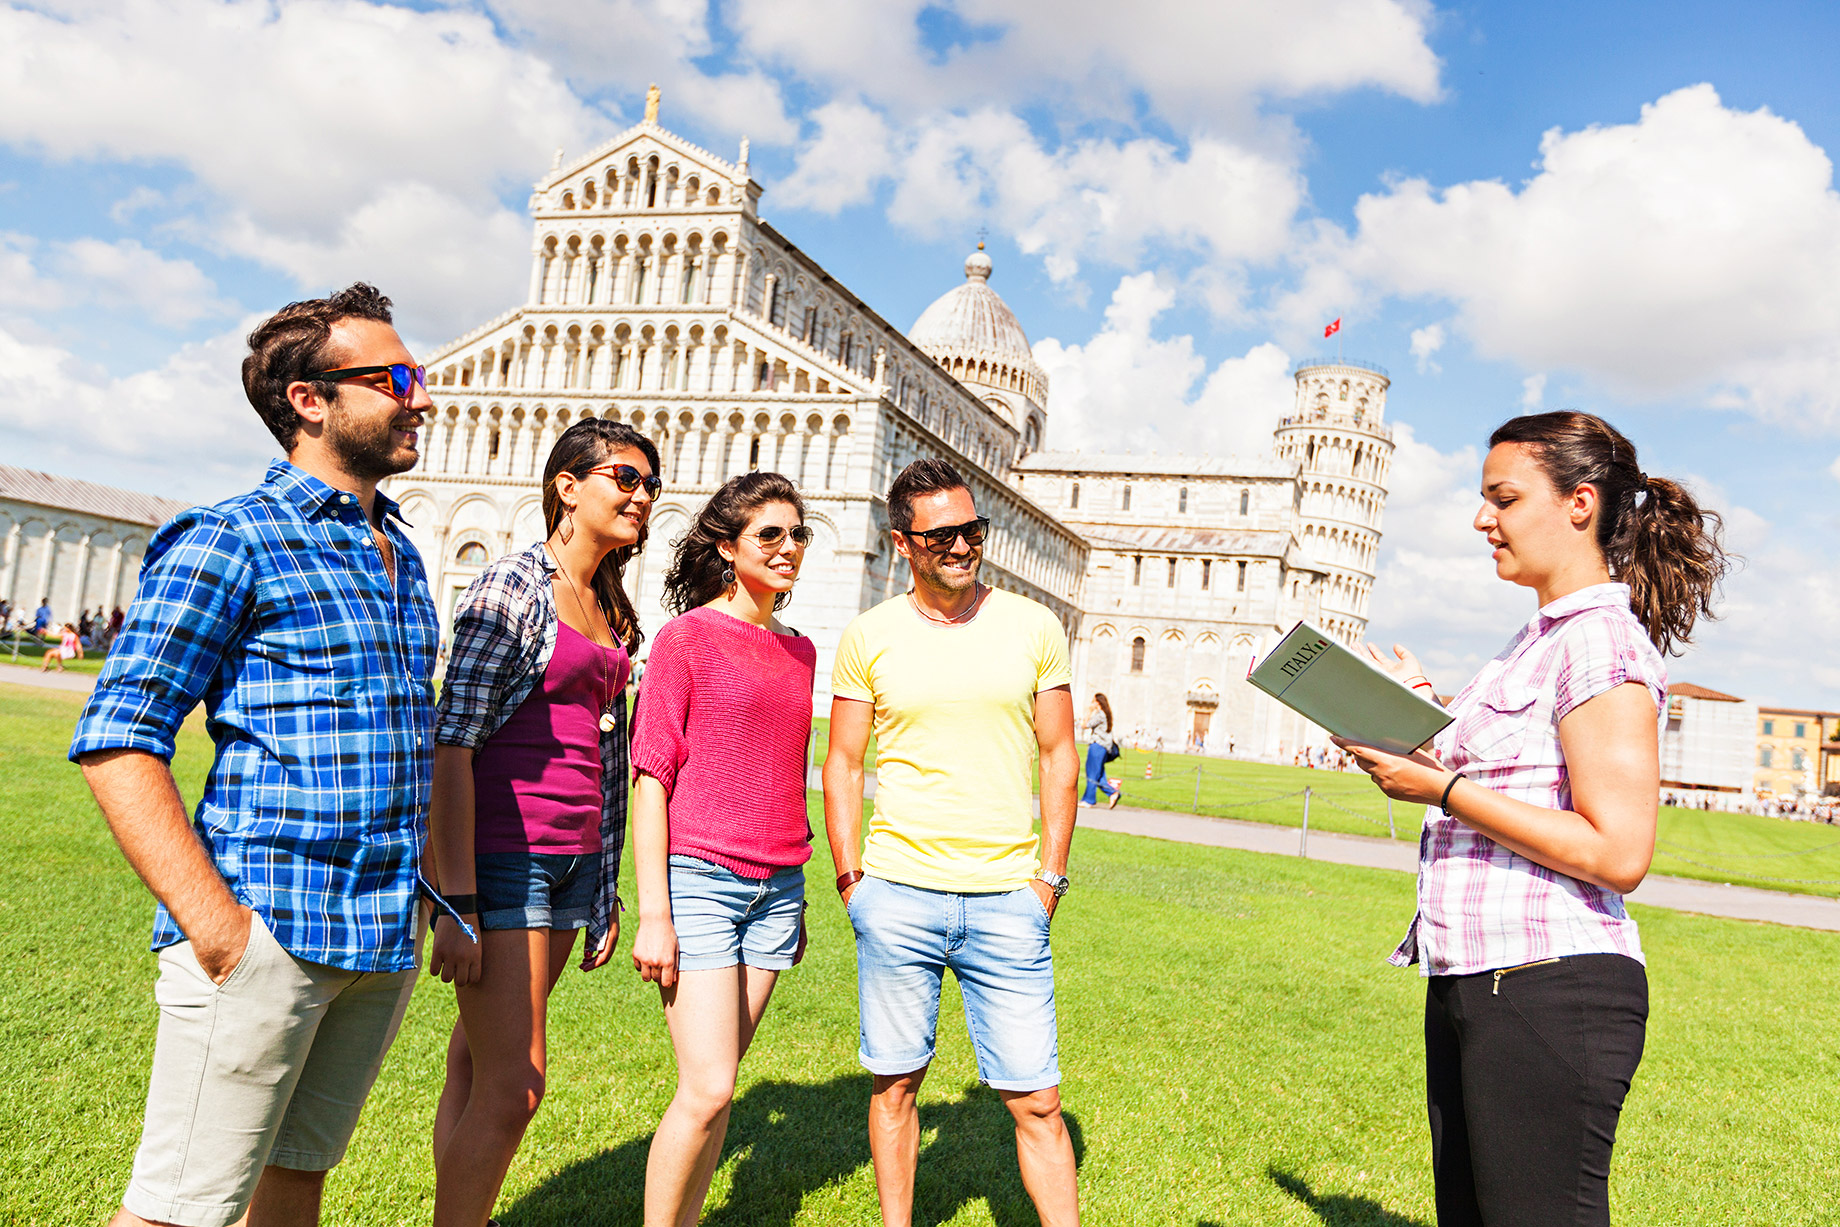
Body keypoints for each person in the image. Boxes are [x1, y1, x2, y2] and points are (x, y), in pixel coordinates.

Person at [69, 283, 439, 1227]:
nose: (421, 397)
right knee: (176, 1212)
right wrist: (222, 931)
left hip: (378, 937)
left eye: (420, 374)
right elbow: (119, 735)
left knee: (294, 1183)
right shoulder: (230, 539)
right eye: (395, 377)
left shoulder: (401, 549)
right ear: (310, 400)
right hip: (265, 930)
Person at [1333, 410, 1727, 1227]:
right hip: (1477, 978)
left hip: (1552, 985)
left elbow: (1618, 851)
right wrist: (1425, 720)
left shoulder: (1601, 644)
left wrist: (1438, 788)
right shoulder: (1531, 642)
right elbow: (1523, 783)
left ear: (1579, 503)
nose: (1483, 519)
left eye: (1504, 499)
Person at [823, 458, 1082, 1227]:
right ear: (903, 542)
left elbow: (1060, 754)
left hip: (1008, 897)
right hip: (896, 893)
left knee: (1038, 1099)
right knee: (895, 1084)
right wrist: (851, 880)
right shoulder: (869, 633)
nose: (964, 545)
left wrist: (1050, 878)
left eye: (973, 529)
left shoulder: (1034, 625)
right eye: (943, 534)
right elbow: (840, 761)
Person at [424, 418, 660, 1227]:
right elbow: (451, 744)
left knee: (476, 1064)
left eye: (649, 485)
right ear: (567, 485)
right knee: (517, 1085)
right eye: (625, 478)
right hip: (504, 855)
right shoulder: (510, 587)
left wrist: (604, 885)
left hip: (572, 860)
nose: (642, 495)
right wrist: (453, 901)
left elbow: (603, 757)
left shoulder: (606, 602)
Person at [630, 471, 818, 1226]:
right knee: (705, 1086)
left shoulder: (802, 650)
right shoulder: (685, 639)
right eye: (770, 533)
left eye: (798, 533)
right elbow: (653, 777)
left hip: (778, 889)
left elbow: (783, 772)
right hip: (700, 878)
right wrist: (655, 913)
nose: (789, 547)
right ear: (726, 544)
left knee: (722, 1088)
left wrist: (796, 880)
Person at [1079, 693, 1120, 809]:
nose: (1091, 704)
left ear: (1098, 702)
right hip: (1103, 747)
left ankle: (1089, 800)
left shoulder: (1100, 715)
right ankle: (1112, 793)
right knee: (1099, 774)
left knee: (1092, 773)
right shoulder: (1105, 714)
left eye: (1093, 701)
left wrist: (1089, 711)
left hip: (1097, 746)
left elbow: (1084, 725)